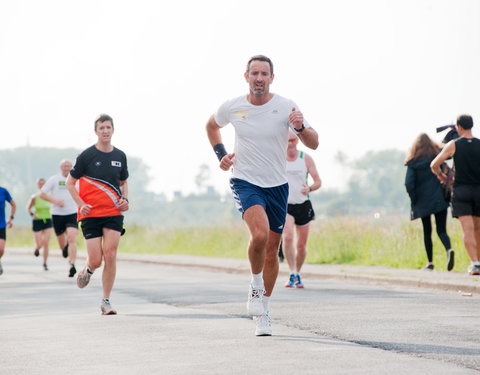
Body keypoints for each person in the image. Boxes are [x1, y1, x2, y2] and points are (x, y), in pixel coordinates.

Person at [205, 55, 318, 336]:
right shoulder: (233, 106)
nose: (259, 78)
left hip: (277, 186)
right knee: (259, 235)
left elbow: (314, 142)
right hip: (245, 181)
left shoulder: (285, 107)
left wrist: (301, 127)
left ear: (271, 78)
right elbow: (211, 126)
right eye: (254, 73)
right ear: (246, 76)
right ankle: (255, 287)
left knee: (271, 252)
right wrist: (221, 154)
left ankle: (264, 310)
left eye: (264, 74)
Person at [66, 114, 129, 315]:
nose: (105, 131)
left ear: (113, 130)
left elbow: (123, 182)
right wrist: (81, 204)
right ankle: (88, 270)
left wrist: (125, 200)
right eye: (101, 128)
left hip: (113, 213)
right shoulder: (86, 156)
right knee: (96, 260)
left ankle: (106, 301)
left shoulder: (120, 156)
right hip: (90, 214)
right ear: (96, 131)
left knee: (110, 255)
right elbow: (70, 182)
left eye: (108, 127)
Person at [431, 115, 480, 275]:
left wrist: (441, 177)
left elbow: (434, 164)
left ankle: (475, 263)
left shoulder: (454, 144)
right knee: (478, 229)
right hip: (478, 190)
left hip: (461, 191)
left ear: (458, 126)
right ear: (471, 126)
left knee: (468, 230)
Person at [404, 133, 454, 271]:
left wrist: (414, 199)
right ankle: (449, 249)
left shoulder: (413, 162)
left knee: (427, 232)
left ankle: (430, 263)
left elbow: (408, 184)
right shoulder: (437, 157)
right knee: (441, 230)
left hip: (422, 201)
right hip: (439, 199)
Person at [283, 131, 321, 288]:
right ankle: (291, 272)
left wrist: (310, 188)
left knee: (301, 245)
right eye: (288, 140)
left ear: (297, 141)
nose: (291, 143)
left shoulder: (305, 158)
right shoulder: (277, 158)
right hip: (285, 205)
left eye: (293, 140)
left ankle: (297, 273)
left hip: (303, 204)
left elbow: (318, 181)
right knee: (288, 237)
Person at [40, 160, 79, 277]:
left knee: (72, 237)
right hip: (57, 214)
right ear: (60, 167)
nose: (66, 168)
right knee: (62, 245)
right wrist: (55, 201)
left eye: (68, 166)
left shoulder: (76, 179)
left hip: (72, 212)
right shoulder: (54, 179)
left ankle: (72, 265)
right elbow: (42, 194)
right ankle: (65, 248)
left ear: (72, 167)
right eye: (64, 166)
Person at [26, 178, 52, 271]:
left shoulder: (49, 196)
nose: (41, 185)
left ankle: (45, 263)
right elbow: (28, 208)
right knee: (40, 243)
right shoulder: (34, 197)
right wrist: (33, 214)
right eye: (39, 184)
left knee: (46, 243)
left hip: (48, 220)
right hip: (37, 221)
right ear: (37, 185)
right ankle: (37, 248)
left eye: (43, 184)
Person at [0, 186, 16, 275]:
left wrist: (11, 218)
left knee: (1, 249)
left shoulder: (3, 191)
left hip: (1, 225)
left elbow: (13, 204)